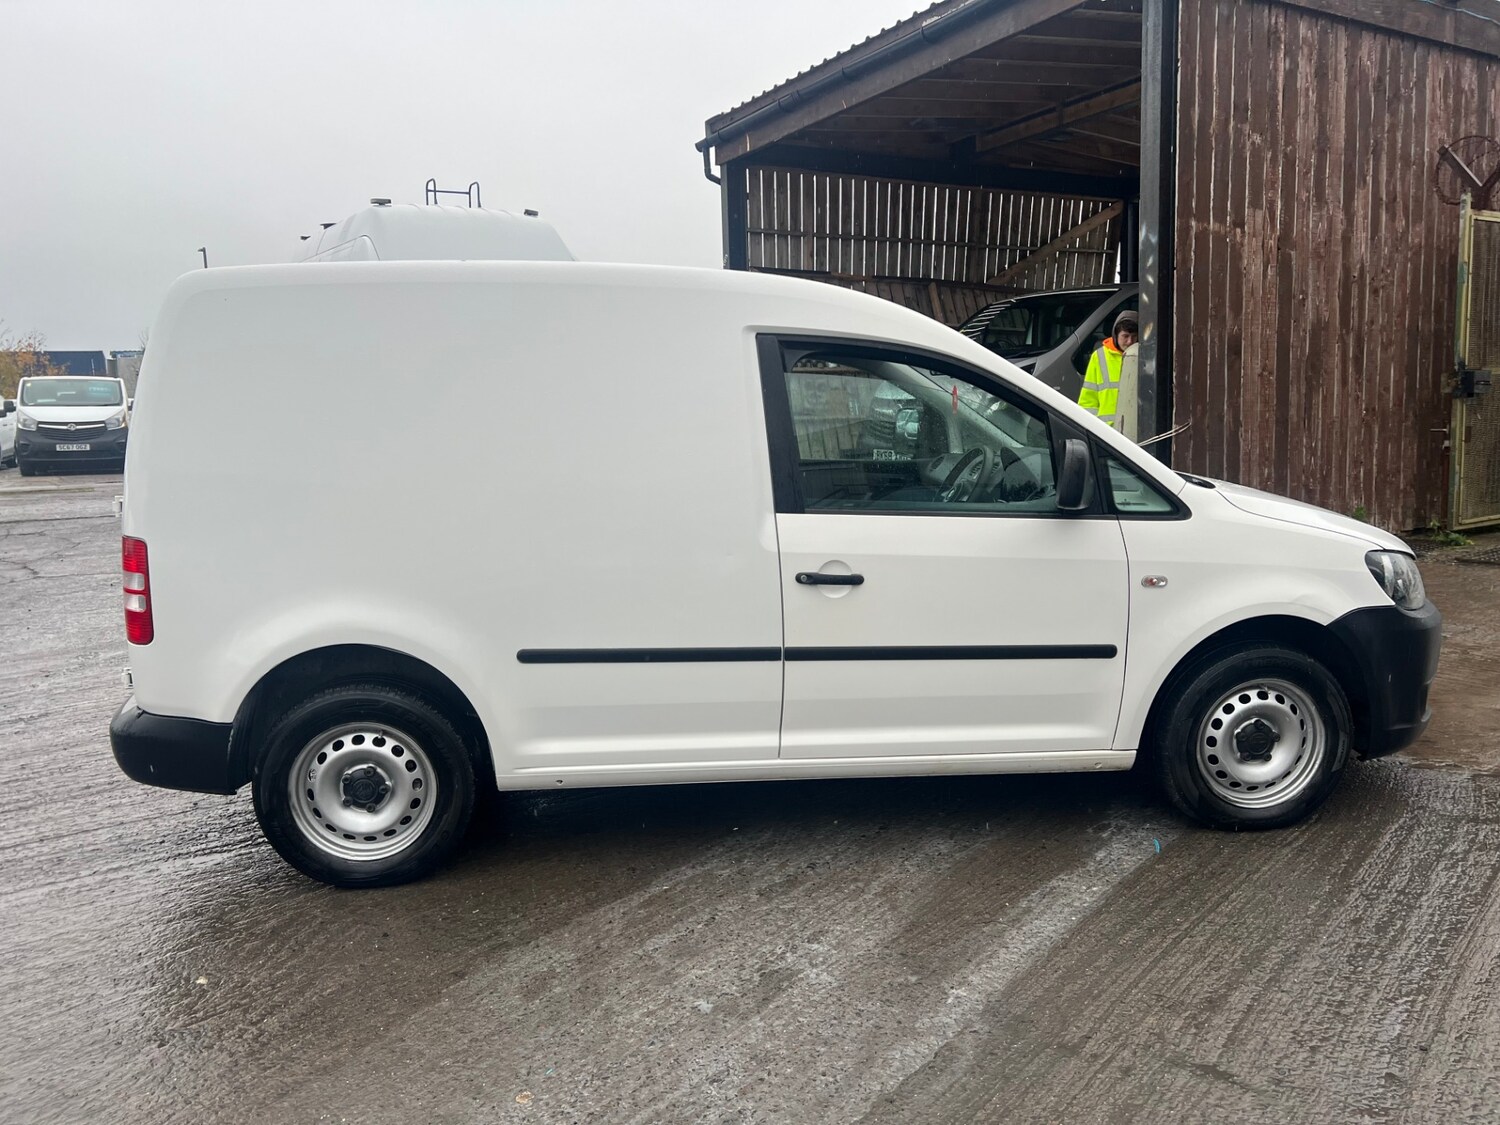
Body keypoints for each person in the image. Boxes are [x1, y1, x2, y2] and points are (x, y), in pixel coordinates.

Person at [1077, 309, 1138, 428]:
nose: (1130, 341)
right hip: (1107, 433)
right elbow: (1088, 400)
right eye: (1125, 336)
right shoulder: (1099, 357)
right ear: (1116, 335)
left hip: (1133, 430)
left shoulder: (1144, 356)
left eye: (1134, 336)